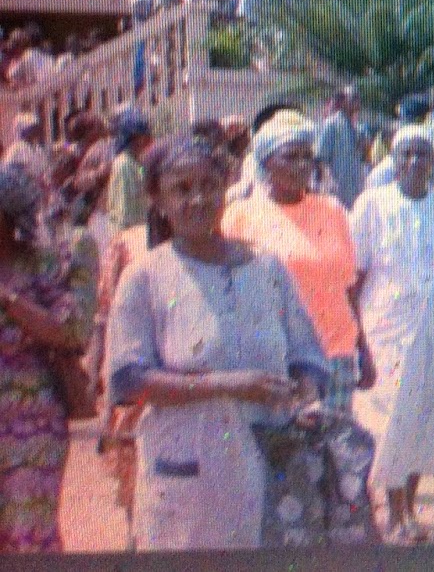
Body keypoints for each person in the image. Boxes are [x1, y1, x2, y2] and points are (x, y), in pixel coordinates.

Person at [104, 137, 328, 550]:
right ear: (158, 200)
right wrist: (228, 385)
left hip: (270, 467)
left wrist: (305, 394)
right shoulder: (145, 277)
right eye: (182, 189)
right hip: (186, 475)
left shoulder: (267, 269)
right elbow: (128, 381)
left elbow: (306, 356)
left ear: (226, 188)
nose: (198, 200)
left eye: (209, 185)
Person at [349, 125, 434, 542]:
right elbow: (355, 276)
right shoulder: (372, 205)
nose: (413, 162)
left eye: (422, 154)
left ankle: (409, 507)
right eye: (405, 154)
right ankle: (393, 513)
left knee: (425, 418)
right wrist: (356, 338)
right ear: (392, 160)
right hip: (387, 328)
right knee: (392, 418)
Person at [221, 116, 371, 415]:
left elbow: (348, 289)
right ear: (266, 162)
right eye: (290, 157)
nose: (302, 165)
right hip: (279, 359)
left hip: (336, 354)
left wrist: (363, 350)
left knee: (336, 441)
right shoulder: (240, 217)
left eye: (307, 157)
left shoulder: (332, 211)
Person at [0, 163, 95, 552]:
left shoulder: (42, 263)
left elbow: (70, 331)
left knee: (30, 537)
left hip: (31, 427)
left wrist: (9, 298)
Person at [315, 87, 368, 209]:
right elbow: (321, 158)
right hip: (337, 190)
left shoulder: (358, 128)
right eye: (353, 98)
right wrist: (329, 183)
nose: (357, 102)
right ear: (343, 102)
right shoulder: (332, 124)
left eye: (358, 98)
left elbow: (363, 158)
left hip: (355, 189)